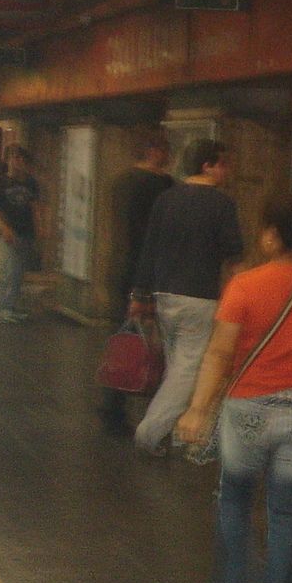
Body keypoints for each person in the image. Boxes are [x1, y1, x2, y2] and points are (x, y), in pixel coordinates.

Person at [178, 195, 292, 583]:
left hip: (250, 405)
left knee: (234, 498)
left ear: (272, 235)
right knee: (285, 510)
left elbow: (219, 352)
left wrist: (197, 409)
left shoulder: (245, 286)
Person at [133, 139, 243, 459]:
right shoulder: (222, 204)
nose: (227, 171)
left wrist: (140, 293)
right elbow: (233, 253)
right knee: (188, 370)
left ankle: (174, 433)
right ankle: (150, 432)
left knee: (176, 366)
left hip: (164, 294)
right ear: (207, 165)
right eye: (223, 164)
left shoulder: (166, 198)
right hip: (200, 296)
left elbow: (149, 247)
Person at [98, 131, 174, 434]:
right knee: (156, 344)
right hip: (148, 272)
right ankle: (144, 405)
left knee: (123, 338)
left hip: (120, 266)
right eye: (166, 151)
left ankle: (113, 401)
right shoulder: (162, 186)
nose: (170, 157)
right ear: (154, 151)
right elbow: (155, 236)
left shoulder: (119, 182)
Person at [0, 144, 41, 322]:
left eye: (21, 158)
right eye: (14, 158)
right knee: (11, 268)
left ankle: (11, 306)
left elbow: (34, 205)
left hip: (26, 231)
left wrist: (40, 226)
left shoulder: (31, 183)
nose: (18, 162)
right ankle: (3, 309)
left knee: (19, 271)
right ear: (7, 160)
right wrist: (4, 227)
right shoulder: (0, 183)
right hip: (7, 231)